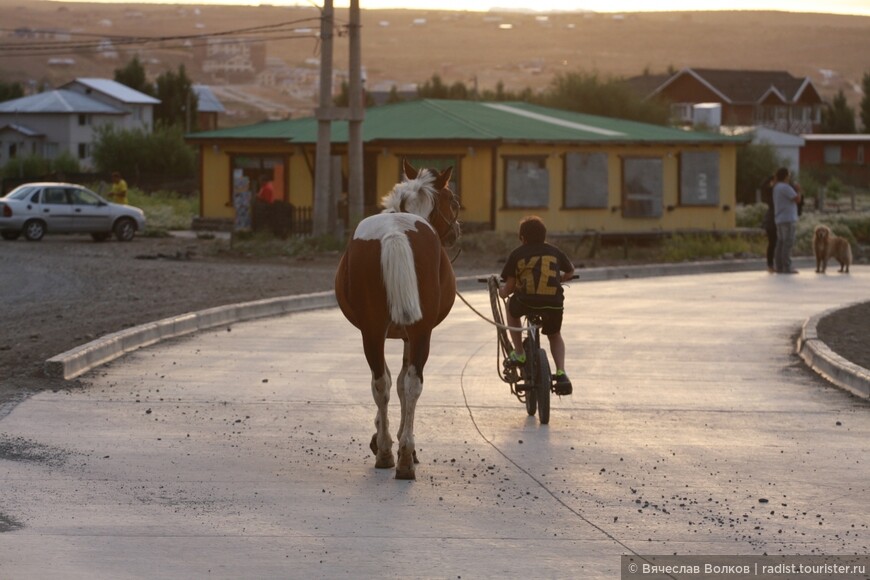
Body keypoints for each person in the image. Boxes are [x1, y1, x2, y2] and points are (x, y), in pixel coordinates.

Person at [498, 216, 576, 395]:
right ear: (544, 236)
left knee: (511, 305)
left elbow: (509, 288)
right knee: (555, 335)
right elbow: (571, 270)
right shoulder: (554, 251)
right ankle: (561, 372)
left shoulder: (517, 254)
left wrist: (501, 292)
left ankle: (519, 352)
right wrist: (561, 278)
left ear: (522, 238)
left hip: (526, 302)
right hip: (553, 304)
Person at [772, 167, 802, 274]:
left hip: (779, 218)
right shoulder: (785, 187)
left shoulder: (776, 187)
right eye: (788, 175)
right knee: (788, 243)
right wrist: (798, 190)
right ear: (785, 176)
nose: (789, 177)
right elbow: (797, 199)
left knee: (780, 243)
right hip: (788, 219)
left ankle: (779, 266)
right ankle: (787, 266)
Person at [760, 174, 777, 273]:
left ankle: (772, 264)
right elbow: (763, 186)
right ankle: (770, 264)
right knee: (773, 242)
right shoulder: (771, 193)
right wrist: (771, 178)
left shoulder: (777, 191)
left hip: (775, 219)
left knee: (775, 243)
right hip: (772, 220)